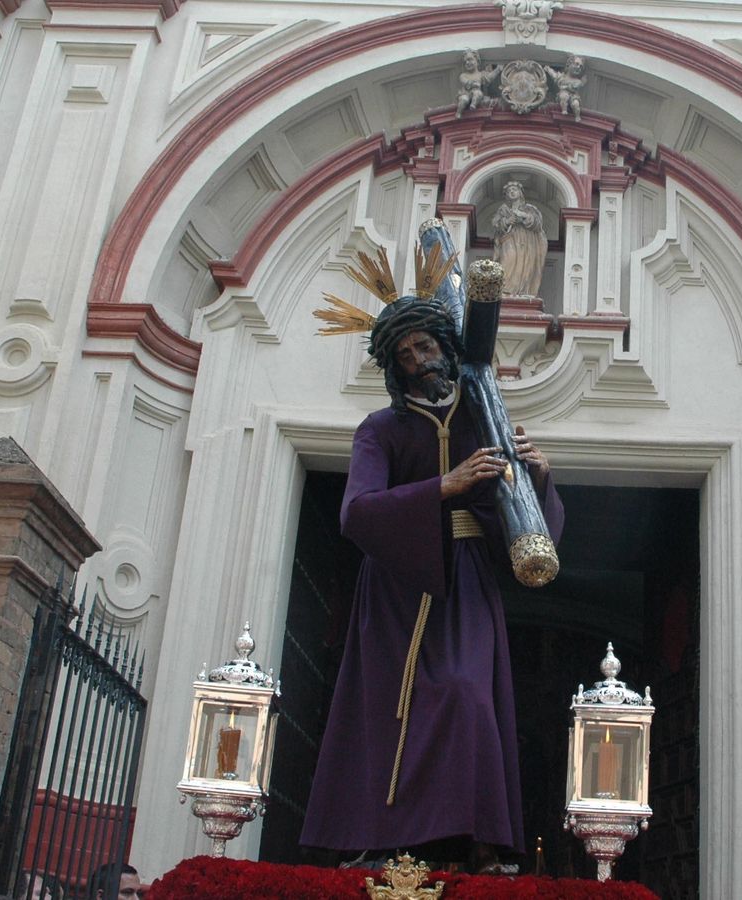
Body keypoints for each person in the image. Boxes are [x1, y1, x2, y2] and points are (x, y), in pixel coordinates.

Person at [300, 292, 564, 872]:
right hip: (397, 588)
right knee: (389, 706)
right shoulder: (379, 429)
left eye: (424, 346)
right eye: (405, 354)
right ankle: (381, 837)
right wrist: (444, 486)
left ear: (445, 346)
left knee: (467, 694)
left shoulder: (482, 416)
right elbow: (356, 511)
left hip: (466, 584)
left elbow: (516, 517)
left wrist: (538, 477)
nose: (419, 360)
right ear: (394, 368)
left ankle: (479, 840)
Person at [491, 180, 546, 297]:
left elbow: (538, 224)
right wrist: (507, 221)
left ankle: (523, 292)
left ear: (520, 193)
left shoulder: (530, 209)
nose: (512, 192)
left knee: (526, 265)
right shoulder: (503, 210)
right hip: (509, 240)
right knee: (507, 261)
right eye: (509, 191)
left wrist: (524, 216)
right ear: (506, 195)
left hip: (527, 242)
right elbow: (496, 225)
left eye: (514, 189)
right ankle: (505, 291)